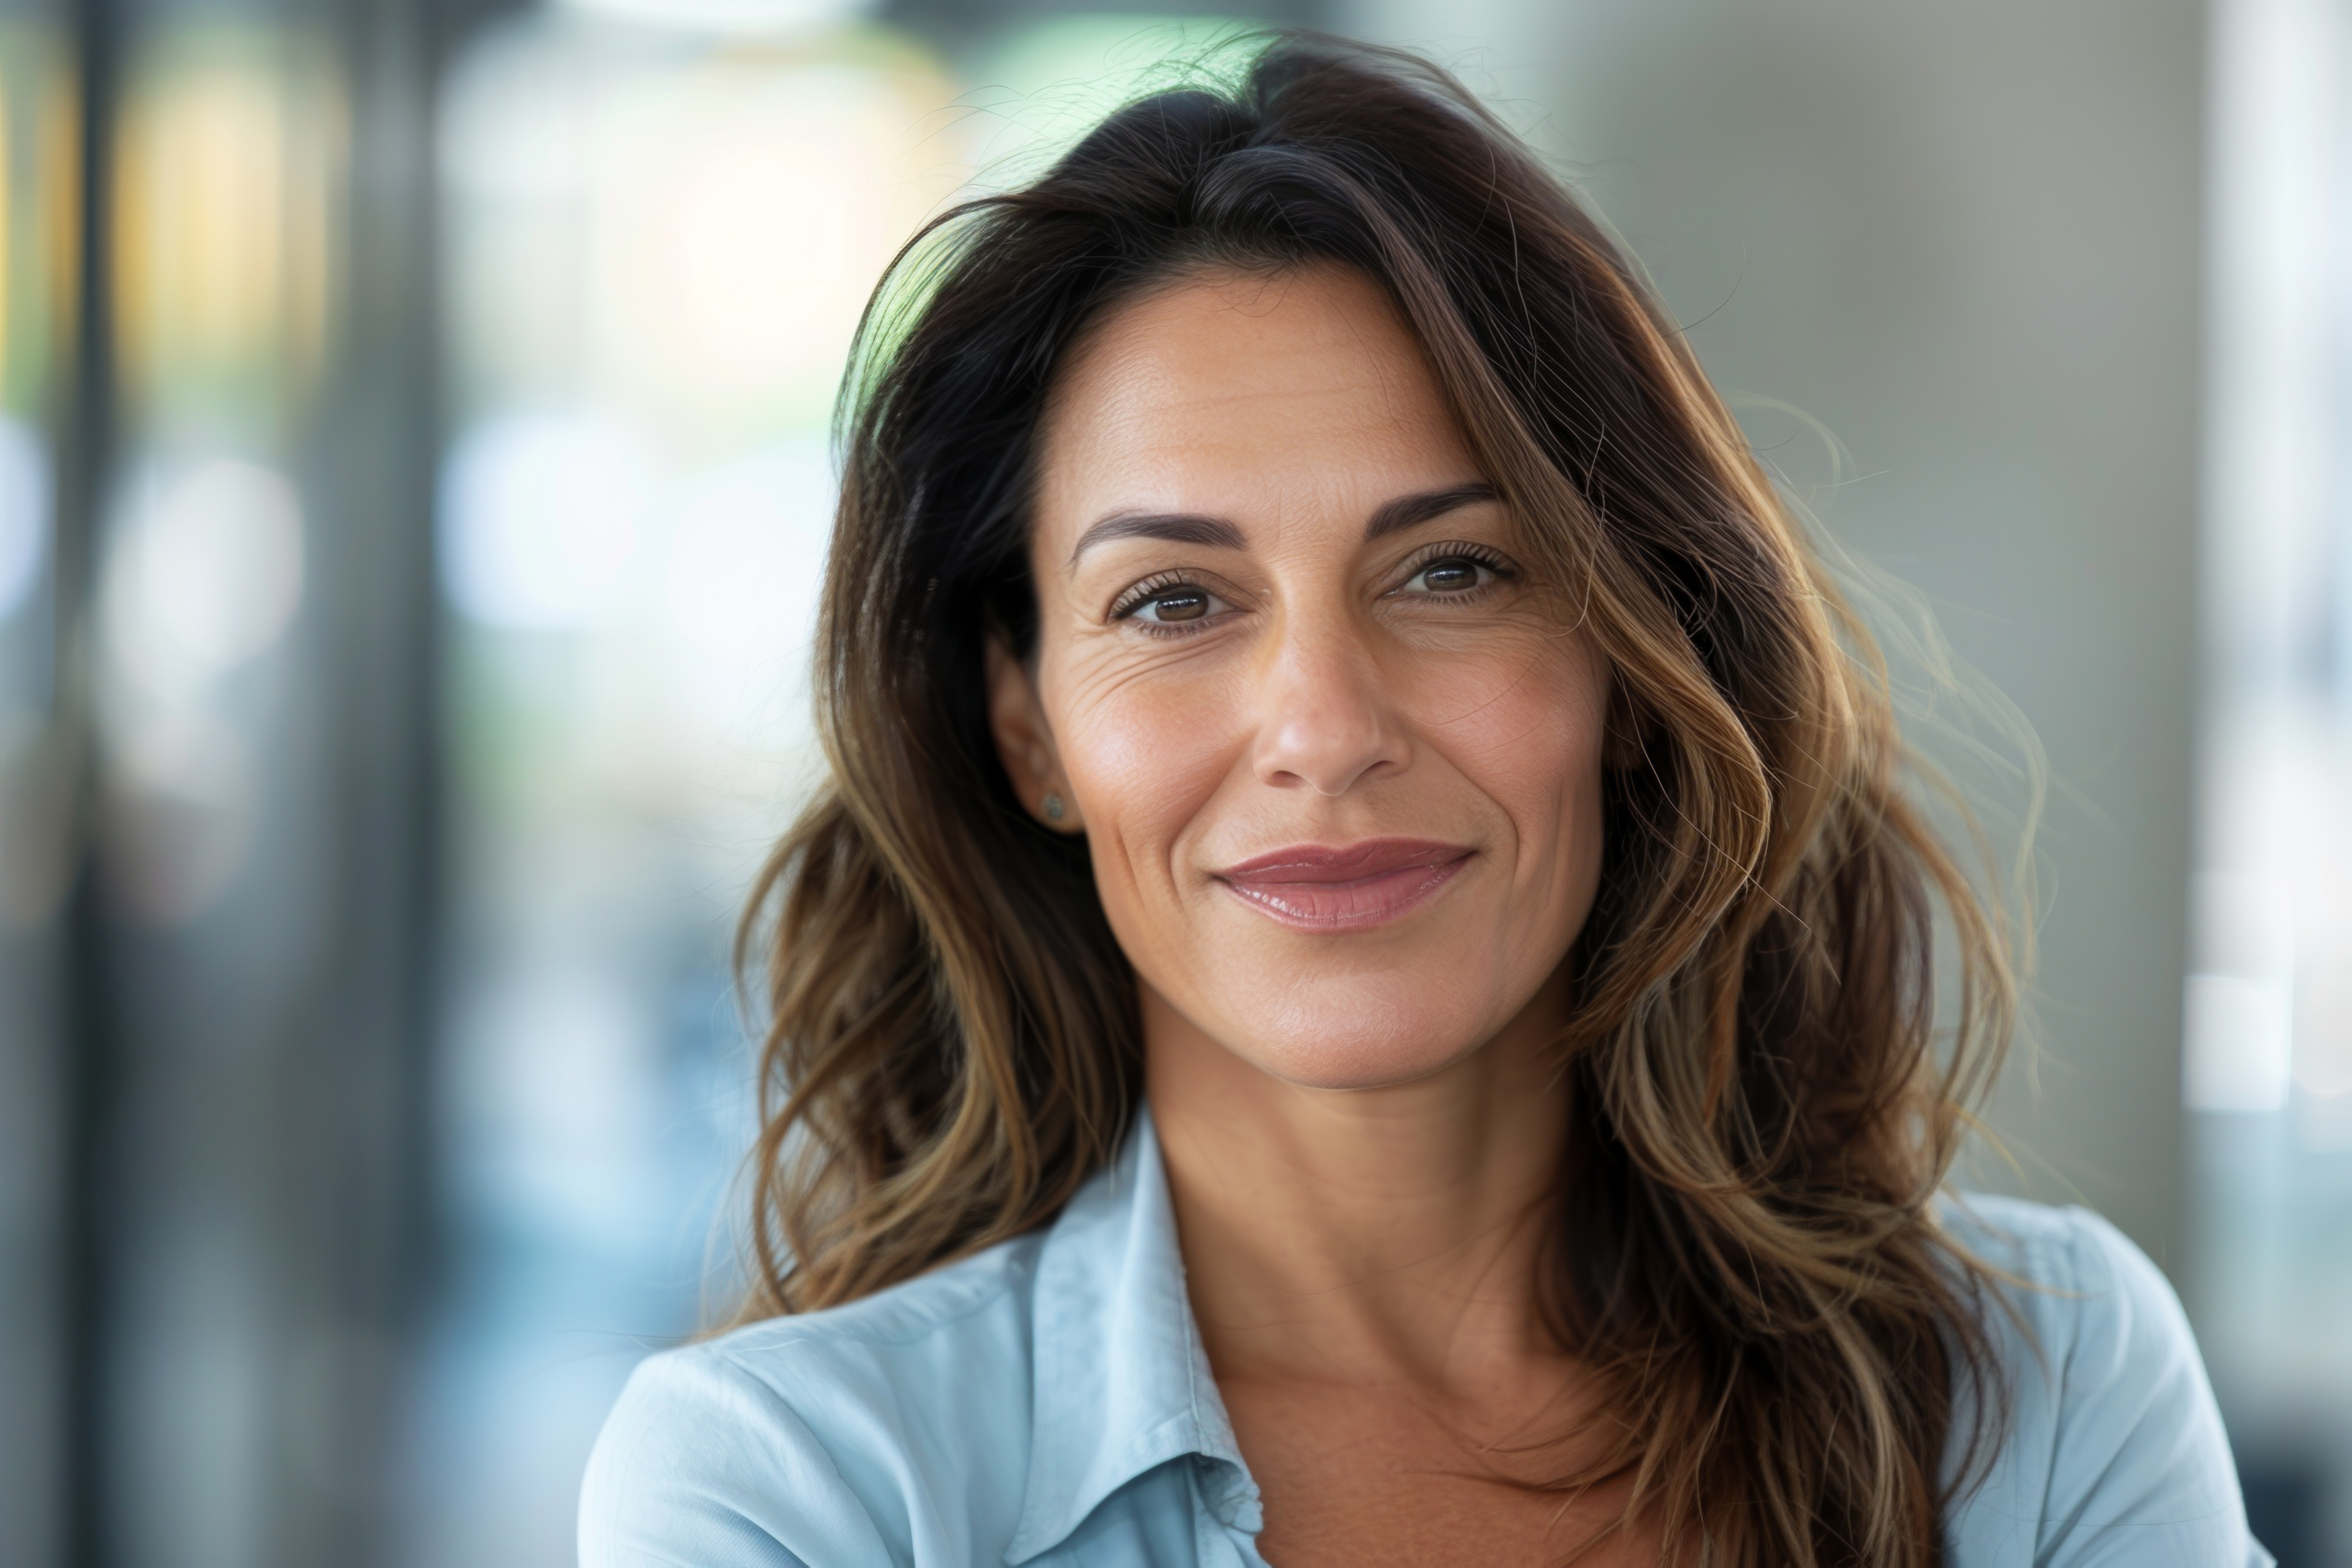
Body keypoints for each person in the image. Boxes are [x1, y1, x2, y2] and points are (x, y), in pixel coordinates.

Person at [579, 36, 2266, 1568]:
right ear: (1027, 729)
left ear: (1630, 656)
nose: (1323, 727)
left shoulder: (2042, 1400)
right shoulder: (794, 1488)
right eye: (1173, 601)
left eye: (1453, 570)